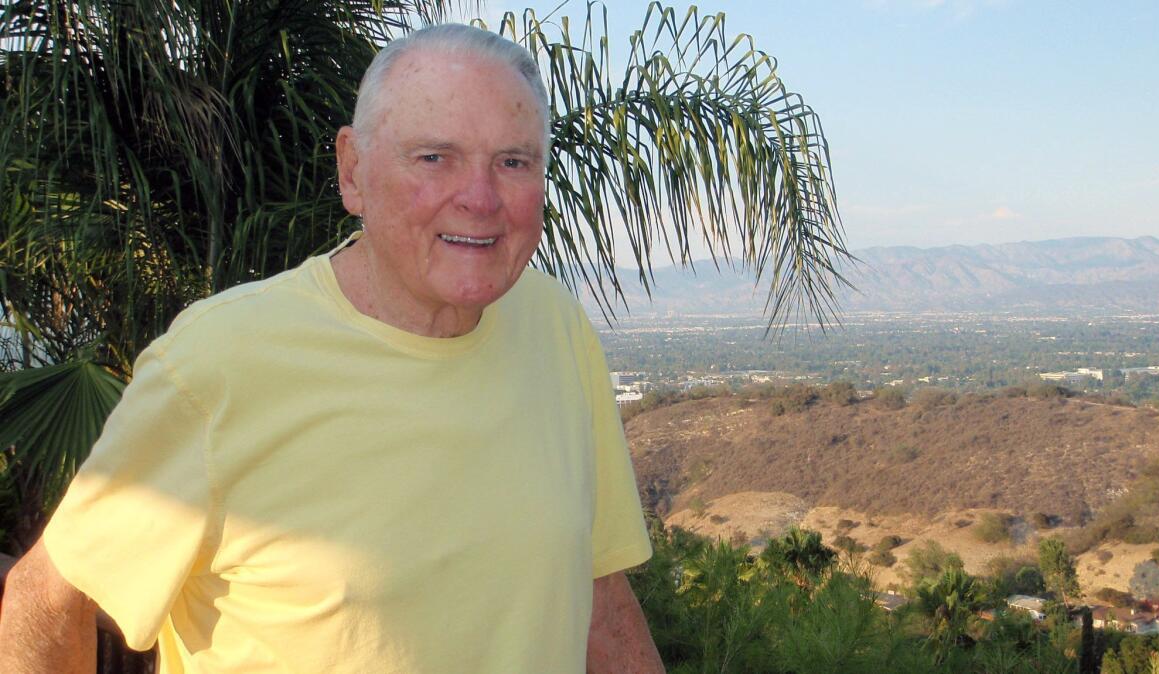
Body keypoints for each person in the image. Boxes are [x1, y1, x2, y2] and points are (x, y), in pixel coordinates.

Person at [0, 23, 665, 673]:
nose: (481, 198)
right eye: (435, 157)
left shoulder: (556, 328)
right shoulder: (218, 365)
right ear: (353, 171)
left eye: (513, 162)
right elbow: (45, 600)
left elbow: (597, 592)